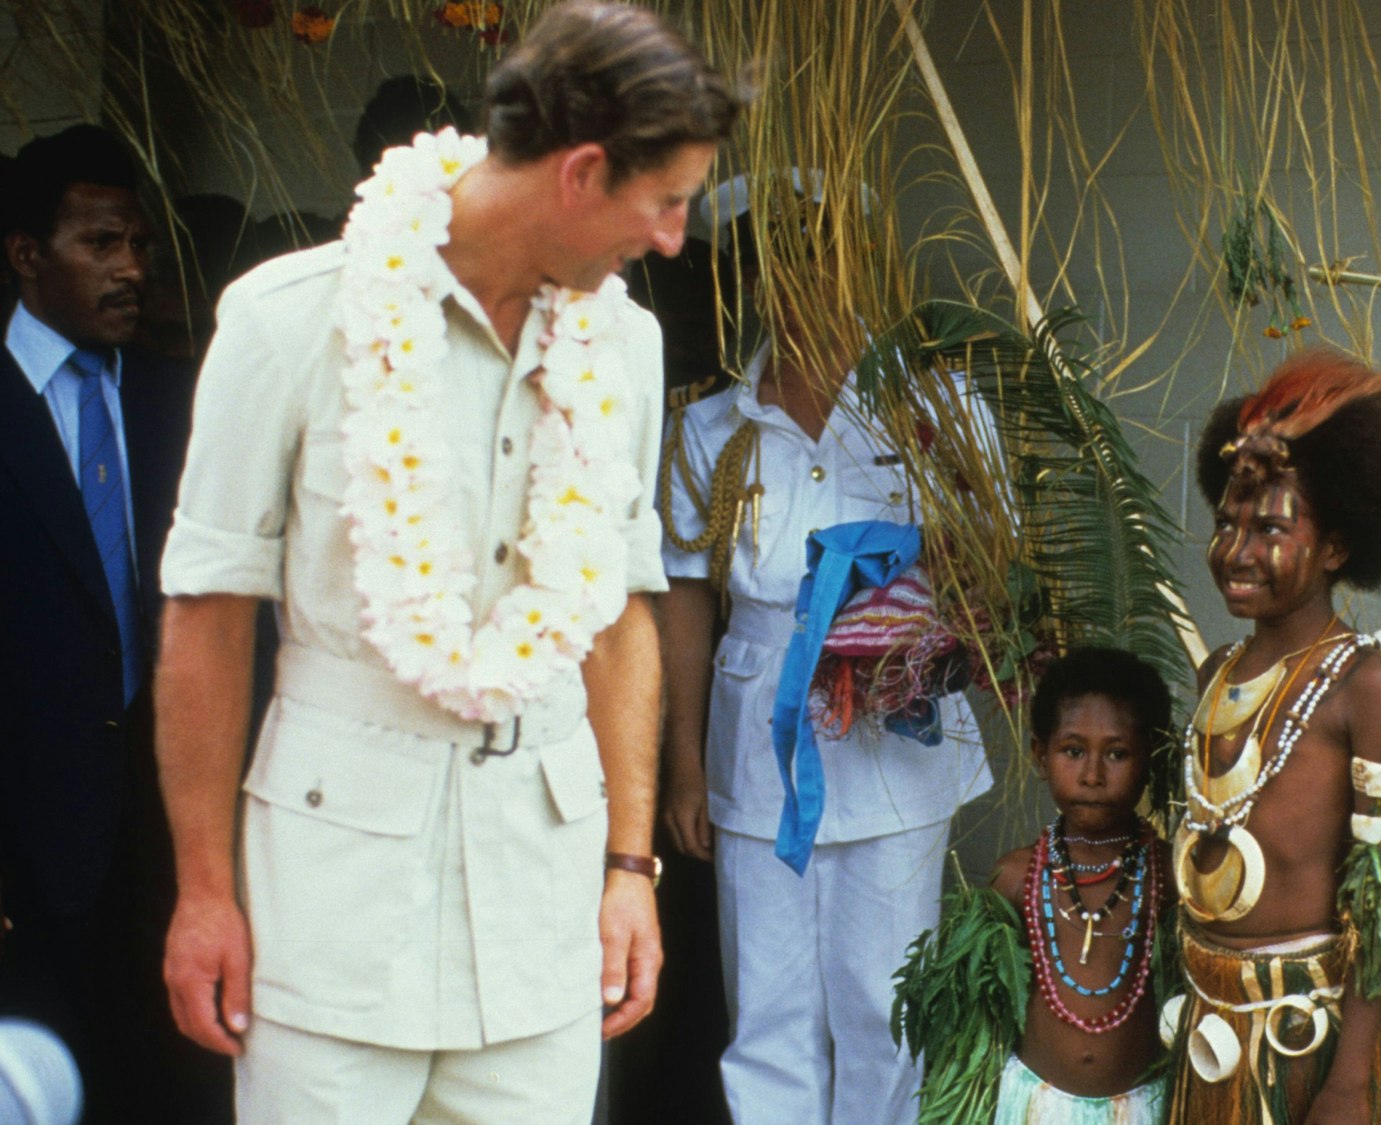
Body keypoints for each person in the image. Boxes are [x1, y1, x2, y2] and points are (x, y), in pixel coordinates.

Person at [151, 4, 740, 1119]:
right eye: (664, 200)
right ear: (580, 173)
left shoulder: (625, 342)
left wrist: (630, 868)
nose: (674, 238)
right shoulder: (289, 318)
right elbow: (207, 615)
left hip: (541, 917)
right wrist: (204, 891)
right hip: (328, 916)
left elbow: (621, 614)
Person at [659, 171, 995, 1125]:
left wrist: (925, 619)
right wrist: (684, 762)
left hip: (892, 729)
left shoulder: (933, 406)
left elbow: (991, 564)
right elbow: (685, 598)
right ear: (751, 276)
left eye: (824, 253)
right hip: (755, 733)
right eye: (780, 259)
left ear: (858, 262)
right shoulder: (711, 425)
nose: (805, 278)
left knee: (884, 1009)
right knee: (767, 1013)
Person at [0, 123, 230, 1124]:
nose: (132, 267)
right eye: (101, 243)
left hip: (173, 844)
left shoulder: (188, 404)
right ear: (27, 255)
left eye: (136, 243)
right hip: (26, 850)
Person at [1172, 350, 1381, 1125]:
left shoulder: (1364, 684)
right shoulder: (1217, 674)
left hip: (1313, 1043)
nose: (1236, 550)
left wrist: (1351, 1081)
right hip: (1212, 1027)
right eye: (1227, 524)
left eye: (1270, 527)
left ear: (1336, 547)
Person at [928, 646, 1177, 1124]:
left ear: (1150, 758)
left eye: (1118, 753)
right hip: (1033, 1108)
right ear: (1040, 755)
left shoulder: (1168, 876)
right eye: (1073, 751)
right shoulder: (1015, 877)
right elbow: (984, 1018)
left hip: (1142, 1109)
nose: (1093, 775)